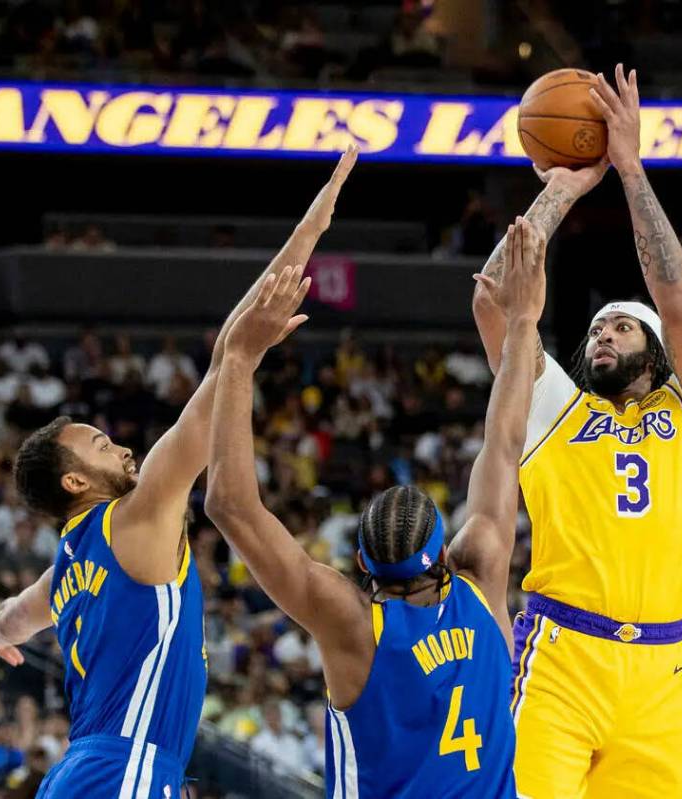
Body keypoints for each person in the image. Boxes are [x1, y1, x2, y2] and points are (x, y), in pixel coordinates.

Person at [0, 147, 358, 798]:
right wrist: (309, 234)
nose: (124, 450)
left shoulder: (68, 563)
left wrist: (0, 629)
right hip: (124, 768)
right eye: (101, 445)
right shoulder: (135, 513)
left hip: (83, 771)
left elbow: (13, 619)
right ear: (74, 481)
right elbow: (223, 362)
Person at [204, 218, 549, 798]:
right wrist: (521, 322)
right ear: (443, 550)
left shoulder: (353, 622)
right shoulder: (481, 570)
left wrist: (238, 359)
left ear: (360, 561)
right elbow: (505, 440)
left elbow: (230, 505)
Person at [473, 65, 682, 799]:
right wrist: (560, 189)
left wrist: (631, 170)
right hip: (563, 653)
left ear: (654, 350)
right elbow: (496, 305)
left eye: (621, 326)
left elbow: (679, 304)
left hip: (663, 670)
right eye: (595, 328)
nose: (602, 336)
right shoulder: (560, 410)